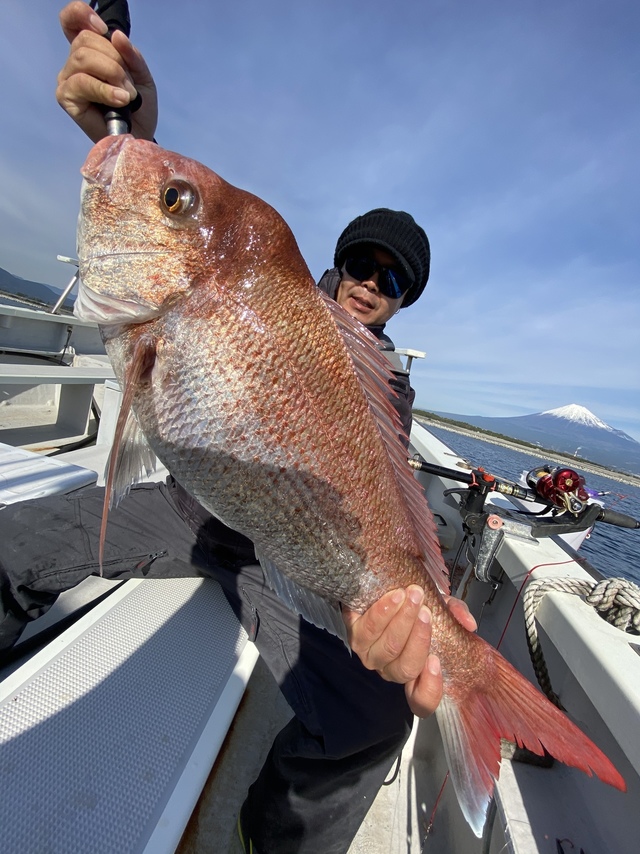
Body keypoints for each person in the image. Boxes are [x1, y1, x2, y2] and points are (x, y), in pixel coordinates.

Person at [0, 5, 475, 853]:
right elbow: (200, 252)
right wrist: (135, 134)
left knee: (377, 721)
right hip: (187, 508)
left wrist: (413, 596)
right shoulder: (262, 280)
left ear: (403, 299)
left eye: (391, 279)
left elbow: (380, 494)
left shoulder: (386, 386)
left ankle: (272, 839)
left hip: (282, 554)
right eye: (362, 263)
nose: (369, 283)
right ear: (339, 263)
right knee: (10, 544)